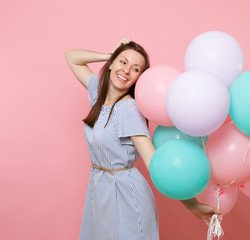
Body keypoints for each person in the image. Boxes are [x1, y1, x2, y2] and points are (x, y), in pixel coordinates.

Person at [66, 38, 220, 240]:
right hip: (99, 186)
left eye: (135, 69)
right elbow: (72, 57)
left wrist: (194, 206)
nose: (126, 71)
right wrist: (109, 55)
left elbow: (154, 163)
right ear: (111, 64)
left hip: (126, 193)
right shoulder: (97, 92)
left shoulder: (128, 109)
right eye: (123, 62)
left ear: (139, 78)